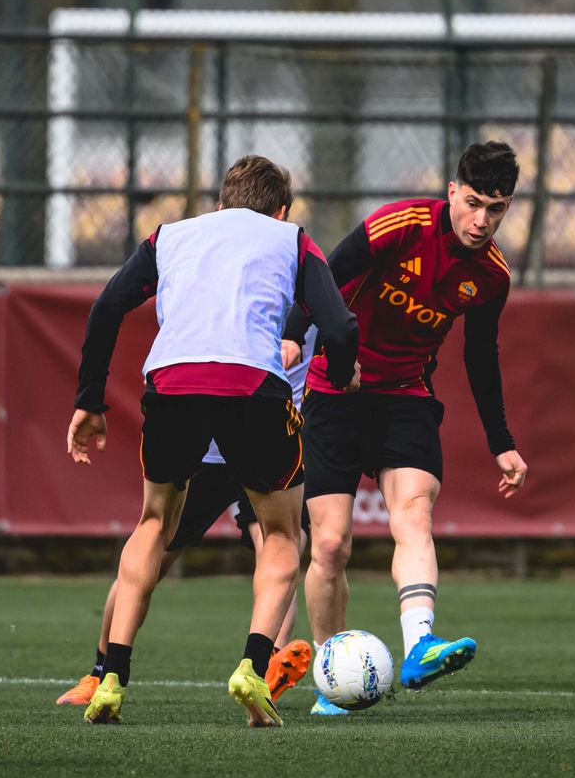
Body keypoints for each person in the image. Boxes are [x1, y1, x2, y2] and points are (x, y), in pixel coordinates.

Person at [66, 155, 358, 726]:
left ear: (221, 202)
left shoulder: (169, 236)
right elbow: (342, 326)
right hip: (253, 387)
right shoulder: (290, 239)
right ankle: (253, 665)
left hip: (173, 382)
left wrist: (89, 402)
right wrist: (342, 370)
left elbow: (106, 307)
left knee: (153, 525)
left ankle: (111, 677)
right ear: (281, 210)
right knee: (280, 534)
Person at [281, 141, 528, 715]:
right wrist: (296, 332)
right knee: (331, 544)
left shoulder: (491, 276)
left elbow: (481, 359)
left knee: (414, 513)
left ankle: (419, 644)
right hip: (333, 391)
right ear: (451, 191)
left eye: (497, 208)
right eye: (473, 203)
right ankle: (331, 671)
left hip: (406, 397)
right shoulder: (400, 224)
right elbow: (324, 277)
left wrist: (503, 444)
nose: (482, 220)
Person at [56, 331, 318, 708]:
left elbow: (340, 339)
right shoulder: (220, 287)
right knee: (153, 558)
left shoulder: (312, 288)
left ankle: (268, 662)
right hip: (215, 451)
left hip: (270, 441)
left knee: (279, 546)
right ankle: (99, 671)